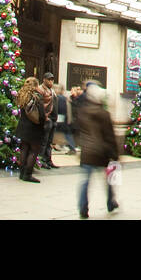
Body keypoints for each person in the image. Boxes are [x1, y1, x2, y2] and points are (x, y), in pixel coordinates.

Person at [76, 82, 120, 217]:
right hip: (101, 152)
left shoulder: (83, 111)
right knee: (108, 179)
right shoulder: (103, 114)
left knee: (85, 181)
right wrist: (116, 154)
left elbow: (78, 131)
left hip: (87, 152)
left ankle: (83, 207)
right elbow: (109, 136)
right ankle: (111, 202)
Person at [16, 77, 46, 182]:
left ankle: (21, 173)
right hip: (34, 128)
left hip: (23, 126)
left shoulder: (23, 96)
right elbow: (41, 115)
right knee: (34, 150)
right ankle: (28, 174)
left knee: (24, 149)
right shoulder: (37, 97)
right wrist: (43, 122)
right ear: (36, 86)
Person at [39, 74, 59, 168]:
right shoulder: (41, 89)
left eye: (52, 80)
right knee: (43, 141)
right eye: (49, 80)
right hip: (47, 119)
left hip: (53, 119)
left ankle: (48, 159)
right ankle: (41, 160)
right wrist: (45, 117)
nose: (51, 82)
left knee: (49, 142)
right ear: (44, 80)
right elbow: (40, 105)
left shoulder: (52, 90)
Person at [54, 84, 76, 154]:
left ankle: (70, 147)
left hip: (62, 118)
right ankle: (62, 146)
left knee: (66, 134)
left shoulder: (59, 98)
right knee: (66, 134)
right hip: (65, 119)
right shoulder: (65, 98)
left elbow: (60, 109)